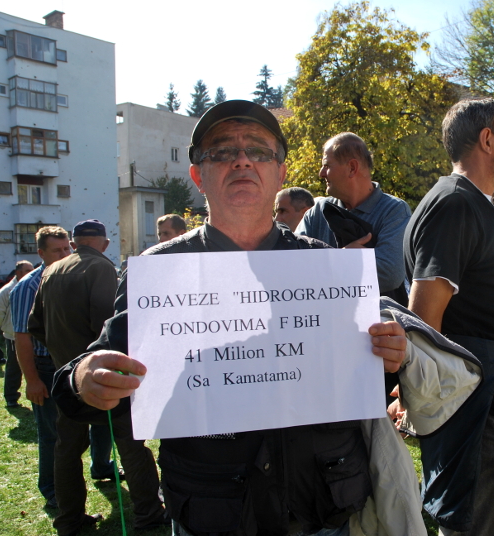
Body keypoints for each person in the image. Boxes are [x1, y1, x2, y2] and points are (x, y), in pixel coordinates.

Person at [49, 100, 461, 536]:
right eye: (222, 151)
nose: (242, 159)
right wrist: (83, 379)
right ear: (197, 175)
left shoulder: (326, 267)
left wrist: (387, 356)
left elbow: (358, 385)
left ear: (280, 173)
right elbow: (81, 384)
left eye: (259, 151)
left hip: (324, 508)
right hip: (214, 512)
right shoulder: (159, 273)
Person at [404, 97, 494, 536]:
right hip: (470, 402)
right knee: (468, 522)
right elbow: (424, 318)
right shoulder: (454, 204)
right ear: (487, 138)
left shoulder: (471, 202)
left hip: (485, 392)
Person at [28, 219, 167, 535]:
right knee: (132, 446)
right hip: (106, 377)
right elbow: (110, 330)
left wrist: (63, 355)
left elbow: (34, 324)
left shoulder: (51, 270)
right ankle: (148, 513)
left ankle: (69, 518)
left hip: (67, 378)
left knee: (66, 450)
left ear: (75, 243)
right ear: (104, 243)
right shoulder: (102, 269)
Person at [296, 132, 411, 296]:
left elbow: (389, 275)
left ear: (352, 168)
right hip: (324, 319)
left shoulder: (393, 211)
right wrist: (345, 258)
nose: (321, 173)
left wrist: (325, 267)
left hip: (375, 320)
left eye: (327, 165)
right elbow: (294, 267)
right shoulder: (317, 212)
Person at [9, 227, 74, 510]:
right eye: (57, 250)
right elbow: (22, 338)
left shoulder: (72, 277)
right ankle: (51, 489)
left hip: (71, 365)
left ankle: (94, 470)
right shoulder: (28, 287)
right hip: (46, 368)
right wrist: (32, 380)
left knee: (73, 434)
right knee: (51, 435)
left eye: (66, 249)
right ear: (40, 254)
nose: (64, 254)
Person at [0, 260, 34, 407]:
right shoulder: (6, 291)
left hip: (33, 335)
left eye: (31, 270)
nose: (31, 272)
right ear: (18, 273)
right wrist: (8, 328)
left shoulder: (33, 286)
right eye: (27, 270)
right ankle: (11, 397)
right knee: (14, 367)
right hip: (14, 336)